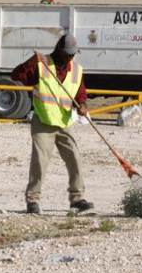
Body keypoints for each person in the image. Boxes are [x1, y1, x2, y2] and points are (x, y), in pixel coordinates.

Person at [11, 34, 93, 215]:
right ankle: (32, 200)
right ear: (59, 51)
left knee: (75, 159)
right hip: (43, 121)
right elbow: (17, 76)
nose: (70, 57)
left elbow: (80, 94)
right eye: (68, 54)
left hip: (64, 123)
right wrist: (30, 62)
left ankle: (77, 199)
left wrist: (83, 106)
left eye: (73, 54)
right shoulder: (42, 64)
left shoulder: (76, 70)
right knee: (40, 161)